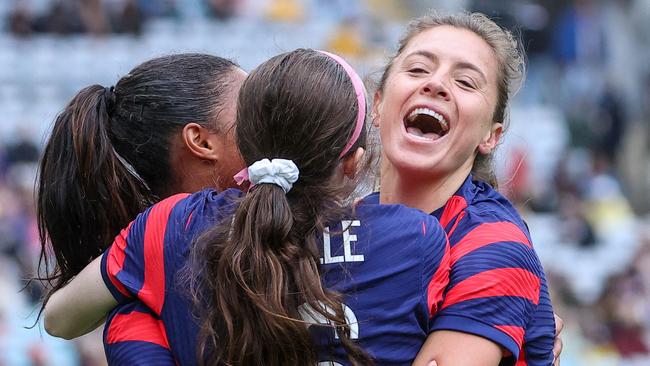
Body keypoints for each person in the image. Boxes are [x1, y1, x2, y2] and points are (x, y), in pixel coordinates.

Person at [43, 49, 451, 365]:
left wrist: (135, 324)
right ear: (355, 162)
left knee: (128, 316)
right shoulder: (413, 235)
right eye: (254, 107)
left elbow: (59, 318)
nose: (279, 114)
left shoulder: (169, 229)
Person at [370, 12, 556, 366]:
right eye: (417, 70)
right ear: (378, 104)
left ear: (491, 136)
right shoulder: (341, 226)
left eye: (466, 82)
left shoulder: (496, 245)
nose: (436, 84)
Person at [36, 53, 247, 363]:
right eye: (252, 109)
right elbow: (57, 318)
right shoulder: (162, 233)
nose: (269, 118)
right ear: (200, 141)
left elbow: (60, 318)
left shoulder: (156, 241)